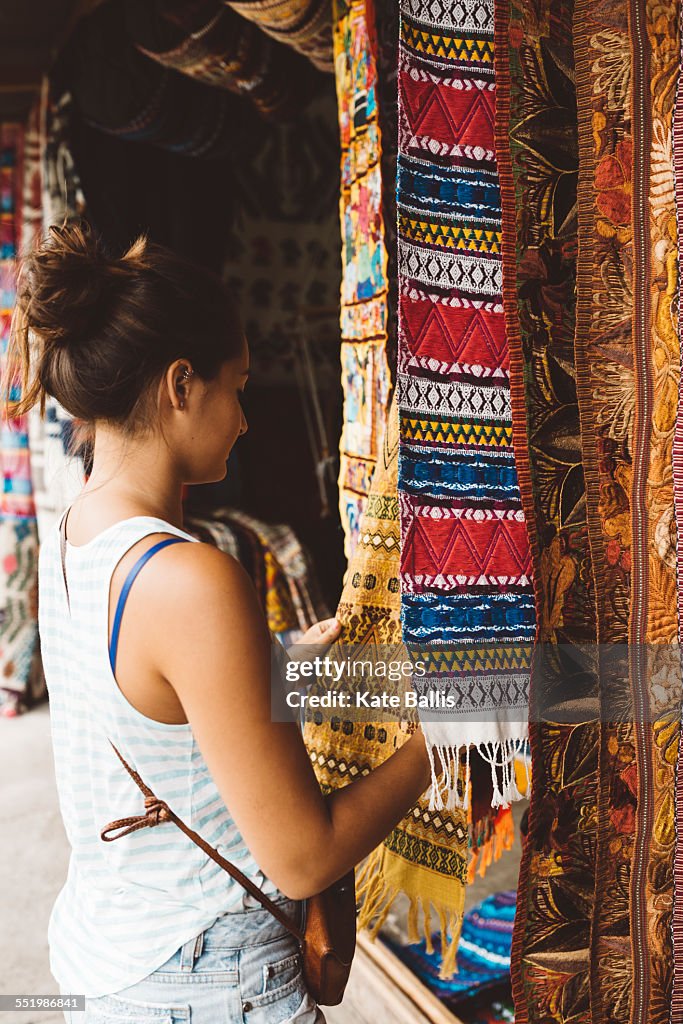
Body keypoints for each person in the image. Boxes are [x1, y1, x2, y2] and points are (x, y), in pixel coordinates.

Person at [5, 222, 440, 1023]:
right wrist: (443, 743)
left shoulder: (77, 532)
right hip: (208, 981)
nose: (244, 419)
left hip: (115, 963)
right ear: (180, 386)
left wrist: (265, 661)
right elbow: (304, 858)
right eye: (236, 386)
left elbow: (137, 694)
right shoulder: (192, 579)